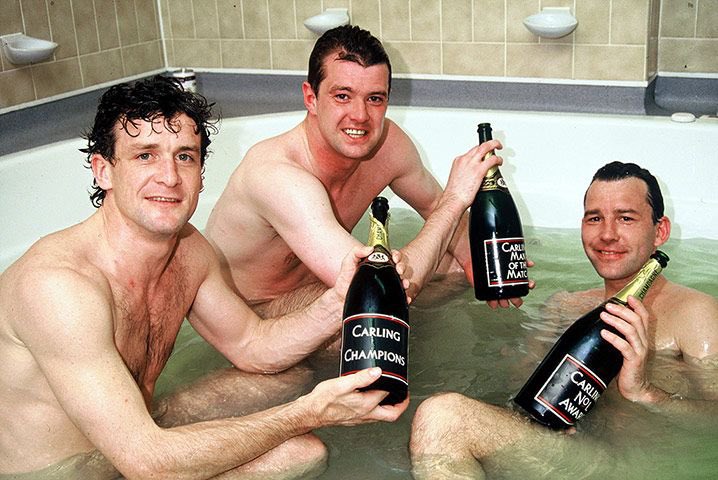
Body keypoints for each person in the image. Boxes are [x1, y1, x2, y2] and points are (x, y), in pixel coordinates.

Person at [0, 76, 409, 479]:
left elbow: (253, 345)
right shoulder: (59, 287)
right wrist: (309, 412)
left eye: (184, 156)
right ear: (103, 170)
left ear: (200, 173)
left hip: (129, 433)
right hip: (73, 470)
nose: (169, 177)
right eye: (145, 155)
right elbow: (145, 462)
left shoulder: (188, 251)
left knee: (286, 377)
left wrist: (339, 298)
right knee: (297, 452)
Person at [408, 161, 718, 478]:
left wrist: (645, 391)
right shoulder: (564, 306)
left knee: (443, 418)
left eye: (626, 218)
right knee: (442, 422)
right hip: (567, 454)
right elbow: (519, 395)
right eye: (595, 218)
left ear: (660, 231)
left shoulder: (695, 313)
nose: (607, 234)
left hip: (637, 466)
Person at [206, 25, 529, 320]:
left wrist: (488, 268)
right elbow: (377, 290)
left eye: (374, 99)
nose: (359, 116)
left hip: (326, 284)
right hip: (252, 315)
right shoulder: (277, 175)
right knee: (358, 309)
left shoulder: (388, 146)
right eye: (342, 96)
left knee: (466, 263)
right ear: (311, 98)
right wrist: (456, 198)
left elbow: (437, 210)